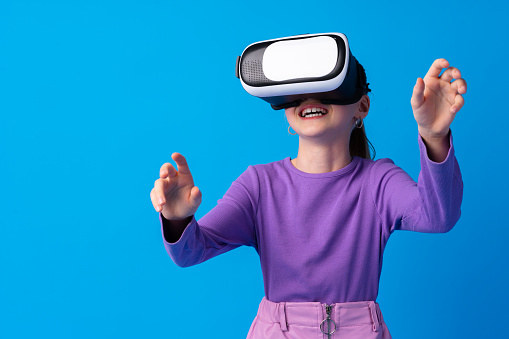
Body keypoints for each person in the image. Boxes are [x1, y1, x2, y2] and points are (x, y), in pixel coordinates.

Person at [150, 34, 466, 338]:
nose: (310, 100)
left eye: (327, 89)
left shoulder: (378, 182)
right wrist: (177, 219)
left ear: (362, 107)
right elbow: (191, 252)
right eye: (297, 92)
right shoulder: (259, 185)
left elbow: (438, 216)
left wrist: (434, 136)